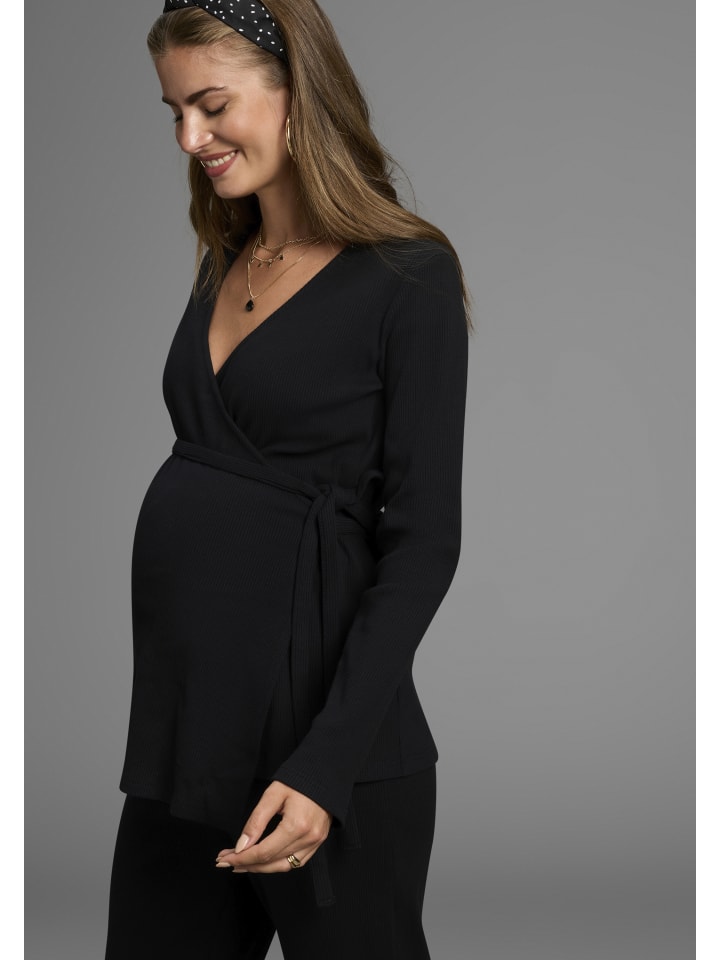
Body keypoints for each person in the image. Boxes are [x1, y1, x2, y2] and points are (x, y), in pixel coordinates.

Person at [104, 2, 472, 958]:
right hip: (186, 739)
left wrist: (324, 769)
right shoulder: (225, 261)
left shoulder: (409, 276)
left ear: (297, 93)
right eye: (175, 112)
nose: (190, 139)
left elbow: (424, 543)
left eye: (213, 105)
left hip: (322, 752)